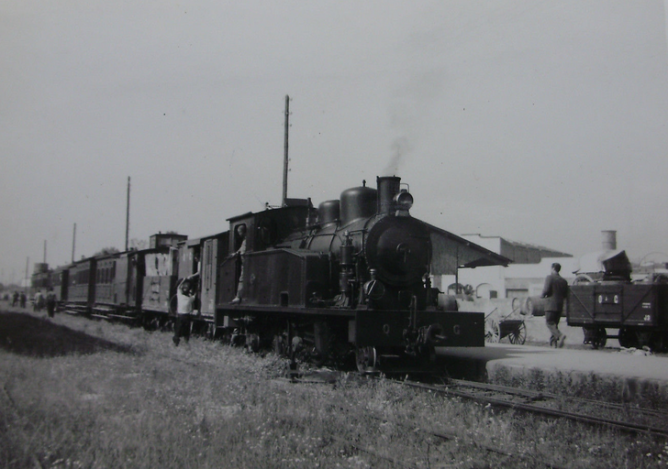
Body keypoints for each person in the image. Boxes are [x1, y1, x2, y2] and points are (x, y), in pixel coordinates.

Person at [542, 262, 569, 348]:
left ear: (553, 268)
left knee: (549, 323)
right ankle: (554, 343)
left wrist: (542, 296)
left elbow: (546, 290)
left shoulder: (549, 278)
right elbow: (565, 294)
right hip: (559, 306)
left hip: (550, 305)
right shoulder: (564, 281)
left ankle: (560, 336)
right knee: (555, 325)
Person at [173, 278, 195, 346]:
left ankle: (186, 343)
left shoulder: (190, 298)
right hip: (180, 316)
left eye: (187, 288)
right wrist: (184, 279)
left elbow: (195, 294)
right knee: (178, 331)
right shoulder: (179, 295)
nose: (185, 288)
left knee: (186, 332)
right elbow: (179, 287)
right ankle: (176, 344)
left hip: (187, 316)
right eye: (184, 287)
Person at [231, 224, 247, 304]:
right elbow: (241, 249)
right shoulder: (245, 240)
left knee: (242, 278)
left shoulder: (247, 240)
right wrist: (236, 253)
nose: (239, 234)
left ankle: (238, 296)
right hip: (243, 262)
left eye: (239, 232)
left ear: (242, 231)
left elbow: (243, 251)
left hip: (246, 263)